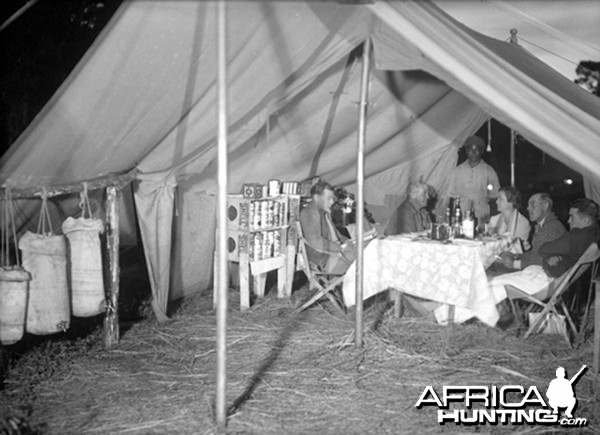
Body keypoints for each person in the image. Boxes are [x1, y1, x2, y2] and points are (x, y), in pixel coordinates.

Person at [489, 198, 600, 303]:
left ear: (586, 220)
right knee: (495, 281)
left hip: (546, 282)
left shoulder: (576, 235)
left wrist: (552, 255)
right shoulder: (592, 238)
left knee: (492, 283)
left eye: (572, 217)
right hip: (555, 282)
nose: (568, 220)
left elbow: (544, 249)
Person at [299, 180, 356, 274]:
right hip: (325, 260)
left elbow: (337, 235)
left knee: (364, 251)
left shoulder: (324, 213)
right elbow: (314, 241)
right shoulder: (309, 213)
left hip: (335, 254)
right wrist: (340, 248)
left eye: (332, 198)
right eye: (328, 198)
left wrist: (347, 241)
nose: (332, 202)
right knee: (363, 258)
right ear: (316, 198)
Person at [500, 193, 566, 270]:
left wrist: (515, 264)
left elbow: (543, 260)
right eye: (528, 205)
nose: (528, 208)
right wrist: (516, 256)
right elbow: (536, 253)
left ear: (545, 206)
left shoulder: (551, 228)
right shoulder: (545, 225)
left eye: (532, 204)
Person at [446, 135, 500, 223]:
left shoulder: (489, 171)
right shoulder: (457, 171)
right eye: (470, 150)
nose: (473, 152)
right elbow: (450, 195)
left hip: (482, 215)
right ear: (467, 151)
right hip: (461, 213)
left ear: (482, 151)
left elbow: (495, 196)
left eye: (477, 149)